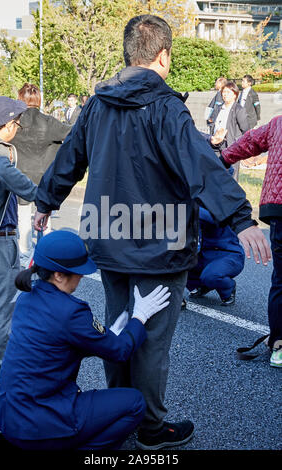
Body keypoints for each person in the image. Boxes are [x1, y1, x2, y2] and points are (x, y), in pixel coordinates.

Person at [33, 15, 271, 450]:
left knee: (119, 327)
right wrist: (241, 218)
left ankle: (120, 416)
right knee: (153, 342)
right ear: (163, 56)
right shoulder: (166, 108)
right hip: (162, 246)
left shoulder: (98, 103)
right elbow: (201, 163)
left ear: (129, 54)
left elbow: (70, 156)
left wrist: (46, 201)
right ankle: (151, 427)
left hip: (107, 237)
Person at [0, 230, 171, 450]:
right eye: (77, 271)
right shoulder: (71, 311)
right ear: (58, 275)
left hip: (10, 419)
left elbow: (58, 345)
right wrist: (139, 317)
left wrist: (107, 334)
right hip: (40, 422)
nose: (82, 275)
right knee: (134, 403)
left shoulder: (26, 297)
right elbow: (120, 351)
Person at [0, 96, 37, 390]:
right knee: (1, 307)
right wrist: (40, 195)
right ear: (4, 125)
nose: (17, 127)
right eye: (15, 122)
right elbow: (6, 174)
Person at [220, 115, 282, 367]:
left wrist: (223, 158)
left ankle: (279, 342)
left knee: (281, 280)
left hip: (278, 208)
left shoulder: (278, 123)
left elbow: (250, 141)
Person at [11, 83, 72, 268]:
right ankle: (48, 253)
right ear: (38, 99)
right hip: (45, 177)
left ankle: (24, 254)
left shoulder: (15, 123)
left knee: (23, 216)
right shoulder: (48, 122)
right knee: (46, 215)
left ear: (21, 99)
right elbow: (71, 131)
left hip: (20, 175)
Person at [186, 207, 245, 306]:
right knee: (180, 264)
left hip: (228, 254)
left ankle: (228, 288)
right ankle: (202, 285)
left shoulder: (210, 206)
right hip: (206, 254)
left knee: (211, 276)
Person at [208, 80, 250, 180]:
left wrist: (240, 146)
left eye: (228, 92)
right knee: (216, 170)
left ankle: (232, 194)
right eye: (224, 92)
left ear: (235, 95)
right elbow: (212, 122)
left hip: (231, 144)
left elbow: (245, 129)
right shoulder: (218, 108)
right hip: (216, 144)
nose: (225, 95)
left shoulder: (239, 109)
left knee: (231, 173)